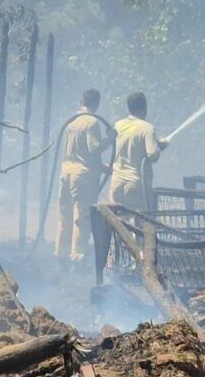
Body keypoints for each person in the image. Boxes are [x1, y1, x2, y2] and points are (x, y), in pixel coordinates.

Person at [94, 92, 164, 282]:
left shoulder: (119, 125)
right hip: (135, 183)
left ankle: (113, 263)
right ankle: (137, 263)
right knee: (139, 224)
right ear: (144, 108)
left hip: (116, 181)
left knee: (116, 222)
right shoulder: (147, 128)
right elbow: (153, 155)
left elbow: (103, 145)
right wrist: (159, 146)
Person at [52, 89, 110, 264]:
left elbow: (78, 154)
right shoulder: (91, 123)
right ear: (97, 104)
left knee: (65, 218)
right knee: (82, 219)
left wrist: (101, 168)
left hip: (66, 174)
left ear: (81, 101)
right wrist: (110, 139)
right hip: (83, 179)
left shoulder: (72, 122)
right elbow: (93, 150)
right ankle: (77, 260)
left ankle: (60, 256)